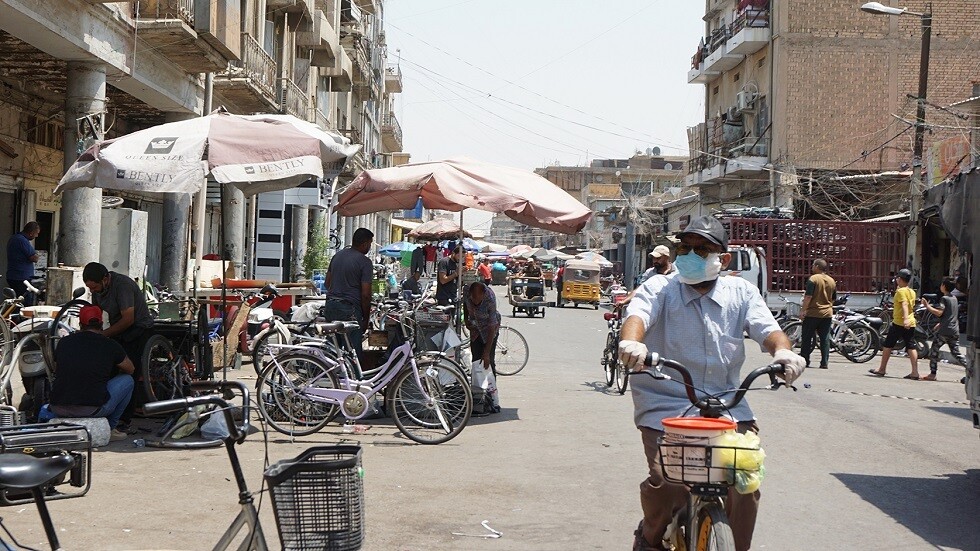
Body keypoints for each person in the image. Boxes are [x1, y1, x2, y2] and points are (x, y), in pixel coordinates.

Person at [617, 215, 805, 551]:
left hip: (727, 406)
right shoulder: (660, 287)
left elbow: (768, 329)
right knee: (671, 481)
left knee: (745, 482)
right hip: (666, 406)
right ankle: (650, 537)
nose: (690, 255)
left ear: (724, 259)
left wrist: (783, 354)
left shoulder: (742, 292)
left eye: (702, 250)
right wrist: (632, 344)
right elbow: (637, 316)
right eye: (685, 248)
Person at [44, 305, 135, 441]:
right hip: (91, 410)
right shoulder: (110, 345)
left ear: (81, 324)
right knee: (128, 380)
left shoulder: (64, 342)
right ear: (102, 324)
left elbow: (57, 368)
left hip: (58, 407)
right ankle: (110, 428)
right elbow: (130, 369)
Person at [82, 262, 155, 431]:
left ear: (105, 279)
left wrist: (104, 335)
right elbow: (97, 314)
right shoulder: (96, 290)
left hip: (139, 329)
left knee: (130, 371)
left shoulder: (123, 286)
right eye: (89, 288)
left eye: (95, 287)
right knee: (108, 367)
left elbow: (128, 319)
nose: (93, 291)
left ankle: (124, 419)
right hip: (117, 329)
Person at [324, 228, 374, 359]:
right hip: (349, 309)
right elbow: (366, 295)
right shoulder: (365, 262)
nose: (369, 247)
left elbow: (327, 283)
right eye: (370, 243)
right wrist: (365, 318)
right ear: (364, 243)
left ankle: (331, 376)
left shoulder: (337, 256)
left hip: (330, 306)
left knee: (333, 350)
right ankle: (354, 378)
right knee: (353, 353)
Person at [869, 268, 920, 379]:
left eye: (897, 277)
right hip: (911, 322)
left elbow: (905, 305)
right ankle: (915, 372)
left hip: (900, 322)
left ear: (900, 279)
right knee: (911, 346)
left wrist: (905, 318)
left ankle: (882, 369)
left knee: (888, 345)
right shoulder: (911, 291)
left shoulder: (901, 291)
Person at [463, 281, 501, 416]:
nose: (475, 303)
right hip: (475, 329)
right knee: (476, 362)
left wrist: (486, 352)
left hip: (488, 330)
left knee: (488, 362)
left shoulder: (490, 298)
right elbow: (465, 304)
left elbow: (492, 327)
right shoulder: (467, 291)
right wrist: (466, 320)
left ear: (483, 295)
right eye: (473, 300)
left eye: (478, 300)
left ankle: (492, 401)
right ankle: (478, 397)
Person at [920, 277, 966, 381]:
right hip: (954, 330)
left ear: (944, 286)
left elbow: (940, 312)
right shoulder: (954, 298)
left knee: (934, 351)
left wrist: (927, 306)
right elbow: (949, 315)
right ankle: (972, 370)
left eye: (941, 284)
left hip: (944, 332)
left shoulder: (944, 299)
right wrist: (940, 323)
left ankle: (932, 374)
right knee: (957, 354)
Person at [799, 258, 836, 369]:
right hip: (827, 313)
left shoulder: (813, 279)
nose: (812, 267)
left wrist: (803, 310)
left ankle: (805, 360)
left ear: (817, 267)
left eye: (813, 265)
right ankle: (824, 362)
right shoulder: (831, 280)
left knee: (807, 337)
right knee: (825, 338)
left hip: (813, 313)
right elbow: (833, 298)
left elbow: (808, 296)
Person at [6, 221, 40, 306]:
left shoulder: (14, 238)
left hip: (13, 275)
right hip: (22, 278)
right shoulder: (22, 240)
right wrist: (37, 255)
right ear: (31, 233)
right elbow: (34, 258)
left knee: (16, 303)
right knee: (25, 304)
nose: (37, 236)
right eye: (36, 233)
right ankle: (22, 319)